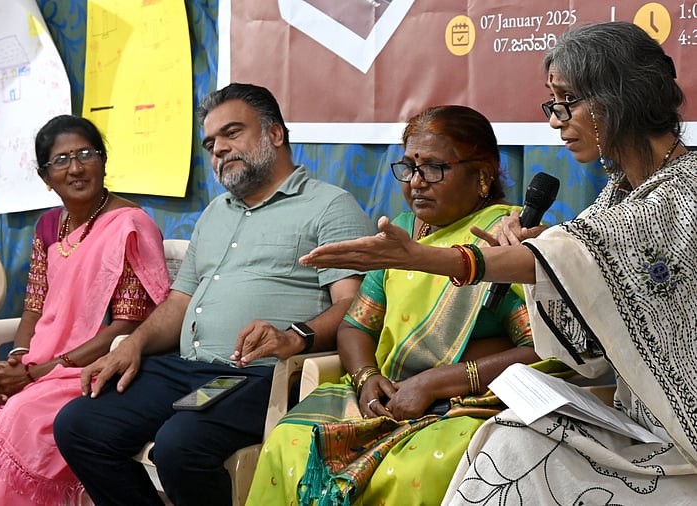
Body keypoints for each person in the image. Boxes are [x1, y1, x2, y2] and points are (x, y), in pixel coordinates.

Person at [302, 22, 697, 503]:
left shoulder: (685, 190)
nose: (555, 120)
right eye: (552, 103)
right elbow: (584, 336)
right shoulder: (617, 195)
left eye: (566, 100)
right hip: (639, 423)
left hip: (683, 435)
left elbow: (574, 253)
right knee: (507, 439)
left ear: (617, 97)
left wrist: (424, 257)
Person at [52, 82, 376, 506]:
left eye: (232, 133)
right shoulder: (215, 213)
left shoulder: (330, 206)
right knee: (78, 424)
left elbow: (354, 307)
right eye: (210, 142)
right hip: (186, 369)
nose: (218, 148)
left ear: (275, 134)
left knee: (179, 445)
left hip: (257, 375)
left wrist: (293, 336)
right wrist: (133, 344)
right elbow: (180, 302)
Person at [246, 105, 541, 506]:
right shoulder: (401, 231)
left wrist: (436, 382)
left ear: (483, 173)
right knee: (291, 440)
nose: (416, 183)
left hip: (467, 402)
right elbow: (355, 326)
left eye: (434, 168)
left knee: (417, 470)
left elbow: (539, 350)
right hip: (385, 396)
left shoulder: (504, 238)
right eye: (407, 168)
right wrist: (367, 379)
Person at [0, 115, 172, 504]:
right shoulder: (49, 225)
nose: (76, 167)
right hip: (42, 364)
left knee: (22, 415)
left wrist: (38, 375)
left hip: (96, 368)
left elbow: (128, 325)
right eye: (61, 160)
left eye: (86, 154)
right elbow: (34, 308)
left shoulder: (130, 225)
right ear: (44, 176)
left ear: (103, 161)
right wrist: (19, 359)